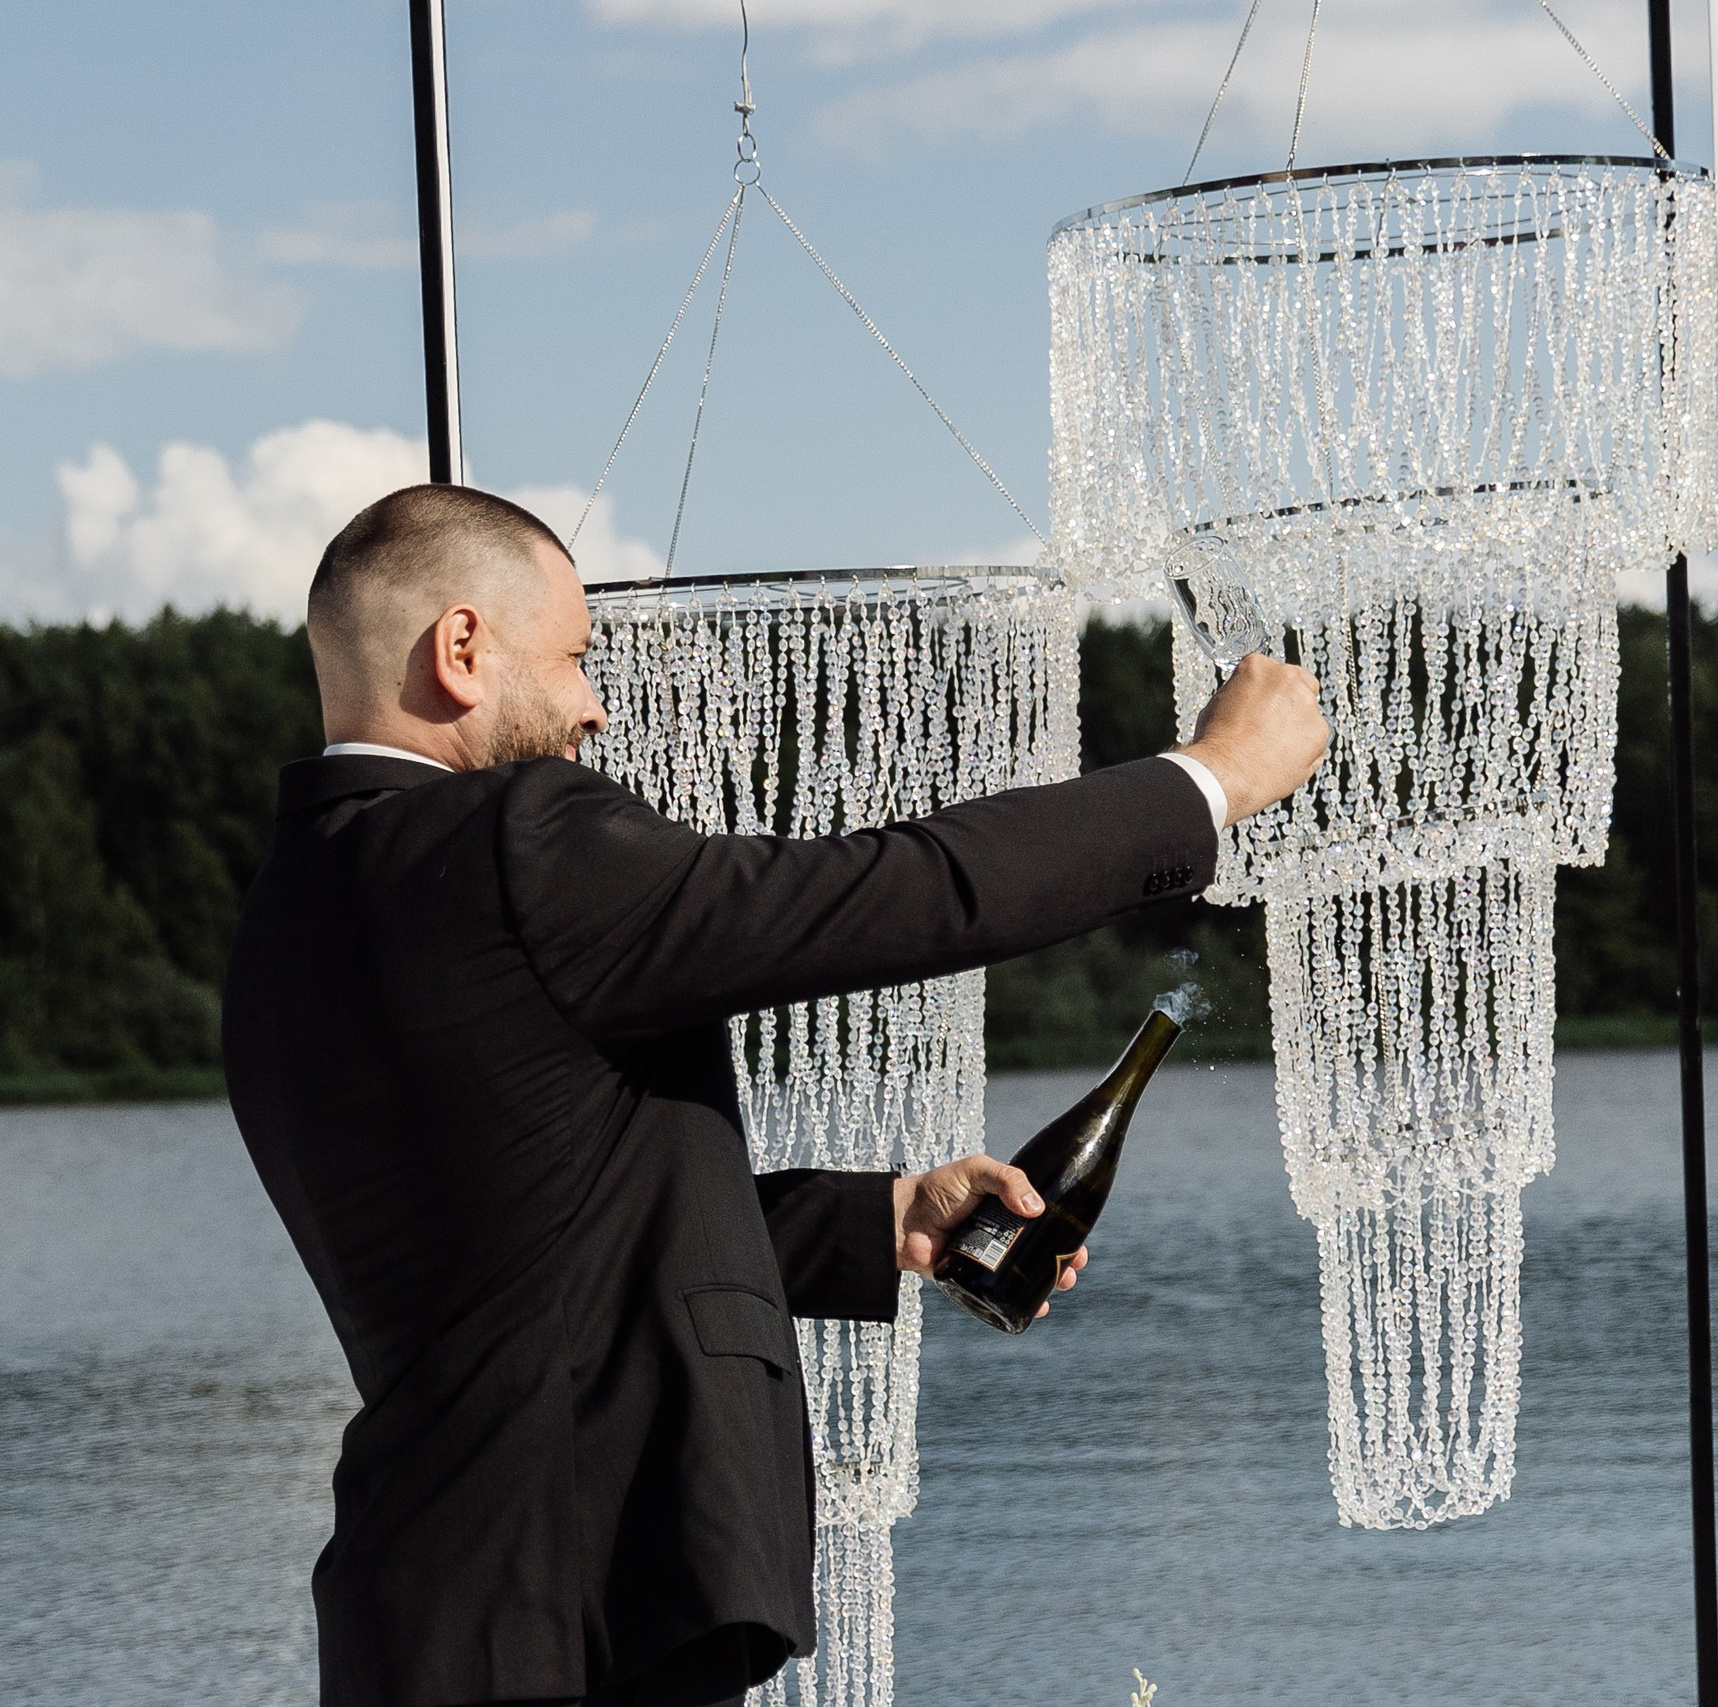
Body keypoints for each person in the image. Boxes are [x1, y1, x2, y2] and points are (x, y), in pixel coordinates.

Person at [223, 485, 1327, 1707]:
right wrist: (1209, 779)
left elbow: (537, 1240)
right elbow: (890, 893)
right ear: (463, 649)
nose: (593, 708)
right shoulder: (509, 839)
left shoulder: (282, 919)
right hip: (567, 1606)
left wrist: (877, 1219)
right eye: (577, 658)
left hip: (424, 1609)